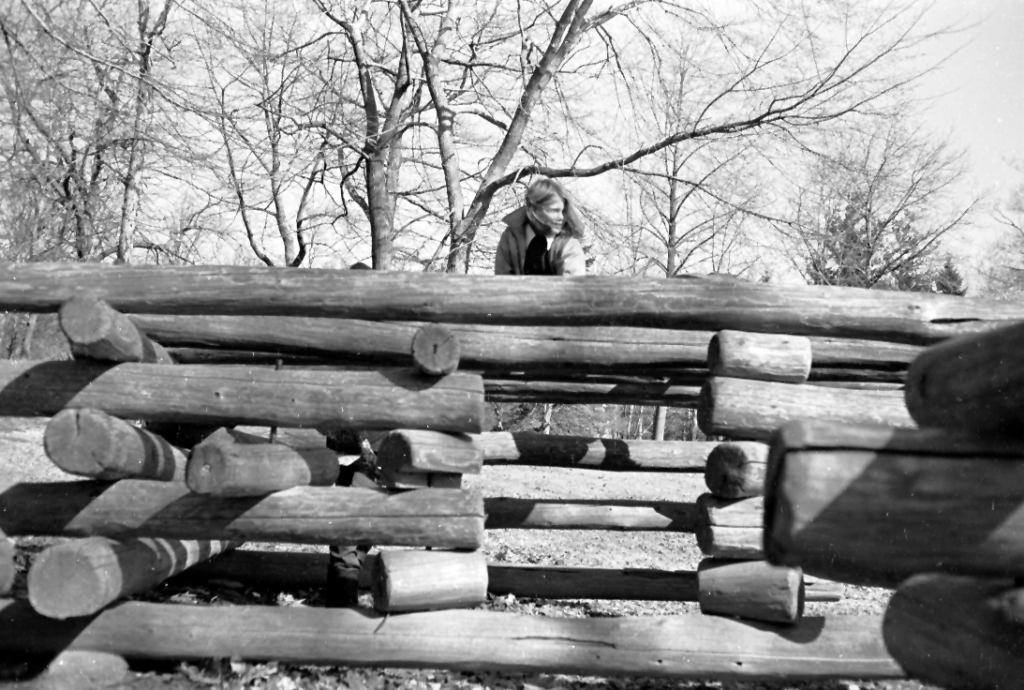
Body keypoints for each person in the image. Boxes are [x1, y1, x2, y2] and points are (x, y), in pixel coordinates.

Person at [494, 177, 587, 276]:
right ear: (531, 212)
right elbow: (502, 283)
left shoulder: (569, 244)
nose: (561, 217)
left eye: (562, 211)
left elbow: (570, 288)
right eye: (554, 210)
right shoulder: (510, 238)